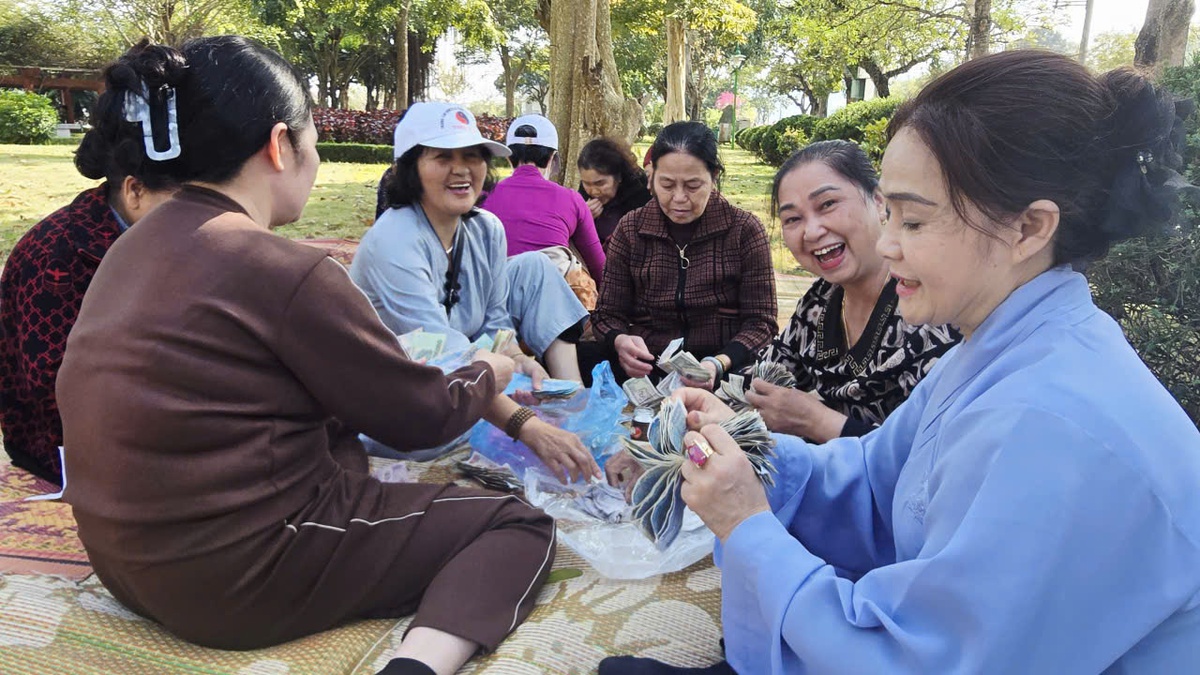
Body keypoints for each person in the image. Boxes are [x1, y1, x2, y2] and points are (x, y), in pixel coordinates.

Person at [601, 51, 1200, 675]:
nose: (887, 244)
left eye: (913, 219)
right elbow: (876, 477)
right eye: (889, 213)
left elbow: (916, 660)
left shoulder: (1052, 422)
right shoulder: (998, 348)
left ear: (1028, 228)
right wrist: (747, 448)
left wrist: (748, 525)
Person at [56, 38, 557, 675]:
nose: (316, 159)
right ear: (279, 145)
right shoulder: (280, 266)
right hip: (236, 579)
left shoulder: (133, 247)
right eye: (313, 139)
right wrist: (497, 370)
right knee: (516, 525)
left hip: (124, 564)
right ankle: (419, 665)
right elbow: (419, 416)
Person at [349, 101, 601, 481]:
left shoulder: (486, 229)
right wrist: (527, 426)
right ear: (411, 168)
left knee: (535, 265)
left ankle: (573, 399)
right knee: (532, 451)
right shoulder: (394, 241)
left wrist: (520, 358)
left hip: (469, 389)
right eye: (442, 157)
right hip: (405, 411)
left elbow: (496, 320)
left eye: (473, 155)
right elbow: (441, 357)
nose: (462, 169)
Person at [0, 54, 178, 484]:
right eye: (189, 197)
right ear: (135, 190)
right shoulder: (59, 256)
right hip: (64, 453)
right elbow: (60, 395)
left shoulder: (149, 241)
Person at [751, 141, 960, 443]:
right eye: (793, 219)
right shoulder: (818, 302)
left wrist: (817, 421)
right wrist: (708, 385)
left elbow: (932, 457)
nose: (812, 232)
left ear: (878, 201)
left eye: (827, 205)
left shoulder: (934, 311)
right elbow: (769, 372)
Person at [590, 121, 778, 387]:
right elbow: (607, 314)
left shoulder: (744, 231)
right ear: (651, 177)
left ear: (714, 178)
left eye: (692, 186)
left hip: (725, 374)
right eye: (667, 185)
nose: (678, 198)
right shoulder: (631, 229)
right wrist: (620, 341)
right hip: (646, 372)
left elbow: (762, 324)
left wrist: (719, 363)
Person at [481, 114, 606, 280]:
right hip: (552, 299)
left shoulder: (482, 197)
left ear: (509, 158)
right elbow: (600, 268)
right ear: (552, 158)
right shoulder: (572, 200)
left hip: (495, 299)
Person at [576, 137, 652, 246]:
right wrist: (582, 218)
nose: (593, 191)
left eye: (600, 183)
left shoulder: (641, 191)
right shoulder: (584, 194)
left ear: (619, 177)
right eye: (587, 183)